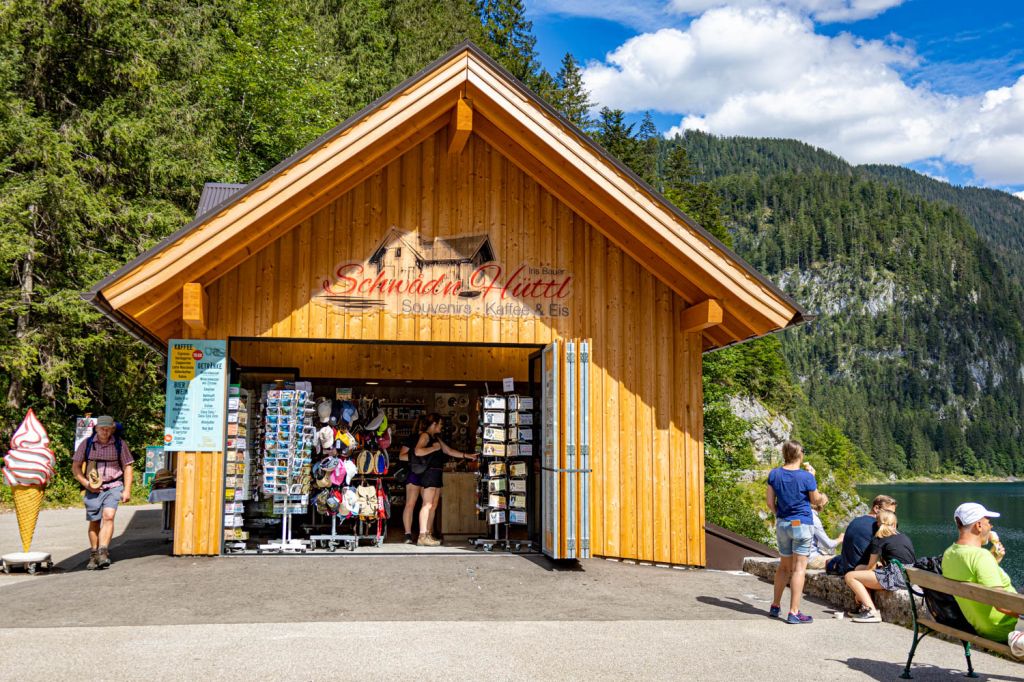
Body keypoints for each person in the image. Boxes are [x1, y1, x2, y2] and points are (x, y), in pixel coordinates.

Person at [942, 502, 1024, 657]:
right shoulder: (981, 556)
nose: (991, 526)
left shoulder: (949, 554)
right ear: (978, 526)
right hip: (1005, 627)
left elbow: (973, 575)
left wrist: (994, 561)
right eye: (988, 522)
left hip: (980, 626)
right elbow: (1002, 603)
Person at [766, 440, 825, 624]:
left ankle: (775, 605)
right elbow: (816, 501)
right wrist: (823, 496)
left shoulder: (774, 474)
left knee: (784, 567)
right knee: (799, 568)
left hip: (783, 524)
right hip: (801, 524)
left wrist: (780, 516)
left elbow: (769, 502)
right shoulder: (807, 477)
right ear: (800, 454)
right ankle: (794, 612)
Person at [71, 415, 134, 570]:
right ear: (96, 428)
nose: (105, 432)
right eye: (102, 428)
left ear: (112, 429)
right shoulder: (87, 444)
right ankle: (94, 553)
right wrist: (86, 484)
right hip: (92, 488)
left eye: (108, 429)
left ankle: (103, 551)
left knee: (109, 516)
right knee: (94, 521)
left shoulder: (119, 444)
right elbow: (76, 467)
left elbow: (128, 466)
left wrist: (127, 489)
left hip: (114, 485)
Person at [411, 413, 477, 547]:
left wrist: (467, 456)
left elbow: (449, 451)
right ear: (434, 424)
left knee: (433, 505)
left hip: (436, 474)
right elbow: (417, 451)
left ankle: (428, 533)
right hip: (429, 474)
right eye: (440, 424)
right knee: (427, 504)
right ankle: (422, 535)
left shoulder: (436, 437)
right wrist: (433, 448)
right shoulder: (425, 436)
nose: (441, 426)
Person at [842, 509, 916, 622]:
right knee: (859, 568)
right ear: (895, 524)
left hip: (895, 577)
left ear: (878, 524)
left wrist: (858, 592)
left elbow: (870, 568)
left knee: (850, 576)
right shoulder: (904, 537)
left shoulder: (879, 539)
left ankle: (871, 611)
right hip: (910, 576)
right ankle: (864, 606)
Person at [826, 494, 898, 576]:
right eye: (888, 512)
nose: (891, 516)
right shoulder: (878, 526)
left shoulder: (856, 520)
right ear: (876, 508)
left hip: (845, 567)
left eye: (893, 514)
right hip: (859, 571)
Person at [399, 417, 423, 545]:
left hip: (427, 474)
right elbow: (401, 456)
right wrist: (417, 455)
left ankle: (424, 533)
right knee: (410, 504)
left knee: (426, 505)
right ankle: (407, 533)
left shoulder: (433, 439)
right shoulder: (412, 438)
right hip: (414, 473)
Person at [807, 493, 843, 570]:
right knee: (844, 560)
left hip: (798, 557)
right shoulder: (814, 519)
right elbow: (828, 544)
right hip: (811, 560)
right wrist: (840, 539)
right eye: (825, 505)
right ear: (821, 505)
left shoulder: (802, 515)